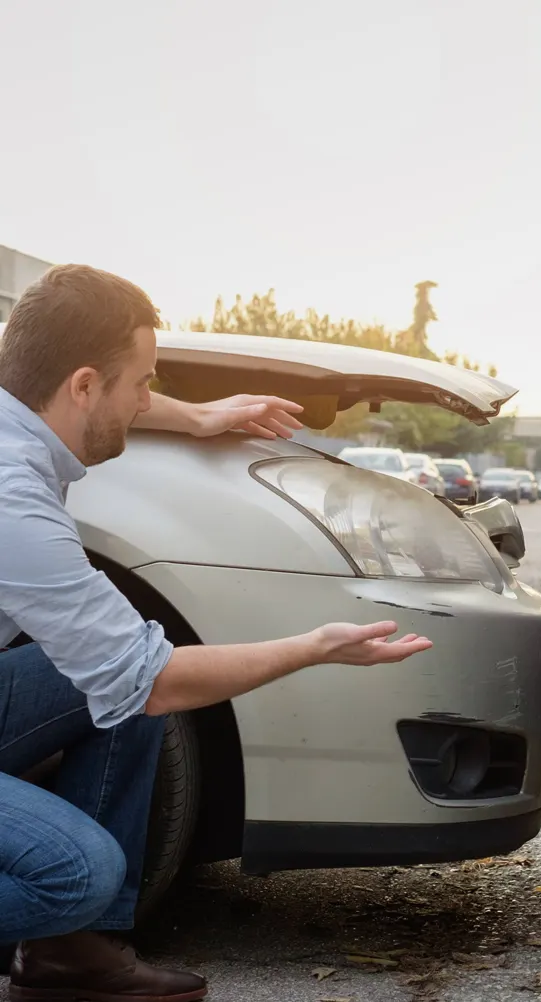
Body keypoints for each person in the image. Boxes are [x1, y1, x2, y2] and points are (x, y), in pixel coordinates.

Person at [0, 264, 433, 1002]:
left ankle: (71, 959)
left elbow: (132, 679)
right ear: (81, 387)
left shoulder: (21, 413)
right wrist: (315, 647)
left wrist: (196, 418)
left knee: (113, 676)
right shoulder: (13, 497)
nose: (146, 402)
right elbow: (158, 681)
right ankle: (72, 919)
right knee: (78, 871)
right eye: (141, 383)